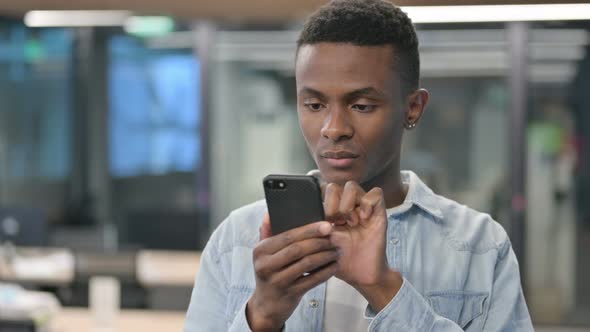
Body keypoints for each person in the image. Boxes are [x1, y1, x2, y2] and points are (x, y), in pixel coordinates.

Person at [184, 0, 533, 331]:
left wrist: (383, 288)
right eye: (314, 105)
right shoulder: (236, 242)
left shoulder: (479, 248)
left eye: (362, 105)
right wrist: (261, 315)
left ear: (413, 108)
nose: (333, 129)